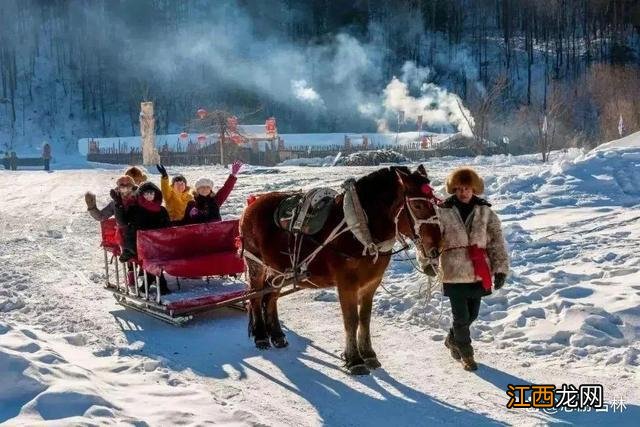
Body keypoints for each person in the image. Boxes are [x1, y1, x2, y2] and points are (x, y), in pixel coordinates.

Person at [438, 167, 509, 371]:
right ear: (453, 189)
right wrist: (429, 262)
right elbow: (430, 239)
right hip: (454, 270)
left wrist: (500, 269)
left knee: (472, 315)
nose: (463, 193)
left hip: (479, 270)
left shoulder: (485, 211)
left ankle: (452, 339)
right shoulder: (443, 210)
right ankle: (466, 354)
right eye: (459, 188)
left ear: (474, 189)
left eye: (467, 188)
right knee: (460, 317)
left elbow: (496, 241)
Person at [114, 181, 171, 295]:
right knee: (152, 258)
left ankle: (150, 283)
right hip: (138, 244)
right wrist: (118, 204)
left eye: (151, 193)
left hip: (157, 245)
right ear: (141, 195)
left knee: (156, 256)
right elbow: (122, 222)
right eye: (145, 193)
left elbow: (167, 228)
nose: (149, 195)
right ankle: (159, 283)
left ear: (156, 194)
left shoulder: (161, 210)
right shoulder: (135, 209)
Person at [182, 160, 242, 225]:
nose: (205, 189)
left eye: (207, 187)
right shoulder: (191, 203)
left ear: (210, 190)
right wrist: (191, 216)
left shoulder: (215, 200)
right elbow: (185, 223)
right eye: (202, 187)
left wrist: (233, 175)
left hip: (216, 232)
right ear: (197, 190)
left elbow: (226, 189)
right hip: (197, 233)